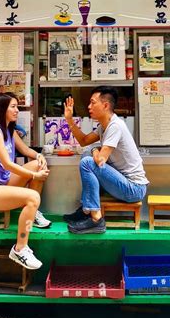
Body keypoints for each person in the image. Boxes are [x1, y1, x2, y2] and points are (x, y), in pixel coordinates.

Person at [0, 92, 51, 270]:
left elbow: (25, 149)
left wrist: (39, 156)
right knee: (32, 198)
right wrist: (33, 177)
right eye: (13, 107)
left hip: (1, 184)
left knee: (38, 166)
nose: (17, 110)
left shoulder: (8, 130)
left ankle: (33, 213)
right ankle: (20, 248)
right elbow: (7, 164)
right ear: (2, 109)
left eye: (17, 107)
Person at [62, 86, 149, 234]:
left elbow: (100, 160)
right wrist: (69, 119)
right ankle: (86, 210)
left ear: (105, 105)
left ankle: (96, 219)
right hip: (124, 183)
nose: (89, 107)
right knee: (86, 156)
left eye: (92, 102)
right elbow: (83, 140)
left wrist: (95, 149)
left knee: (88, 161)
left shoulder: (115, 126)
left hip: (134, 188)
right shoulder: (104, 126)